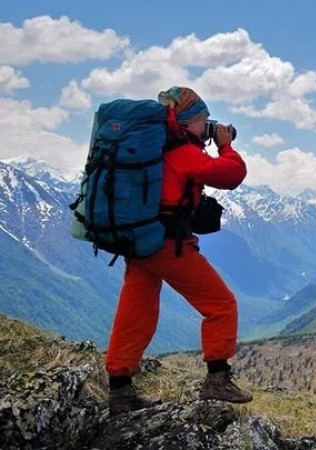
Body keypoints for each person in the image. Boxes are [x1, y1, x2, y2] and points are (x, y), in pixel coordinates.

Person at [105, 86, 252, 415]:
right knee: (221, 304)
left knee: (135, 313)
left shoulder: (154, 150)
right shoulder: (182, 153)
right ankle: (217, 378)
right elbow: (232, 174)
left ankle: (120, 390)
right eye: (203, 120)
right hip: (169, 246)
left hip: (140, 241)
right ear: (186, 122)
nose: (208, 126)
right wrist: (226, 146)